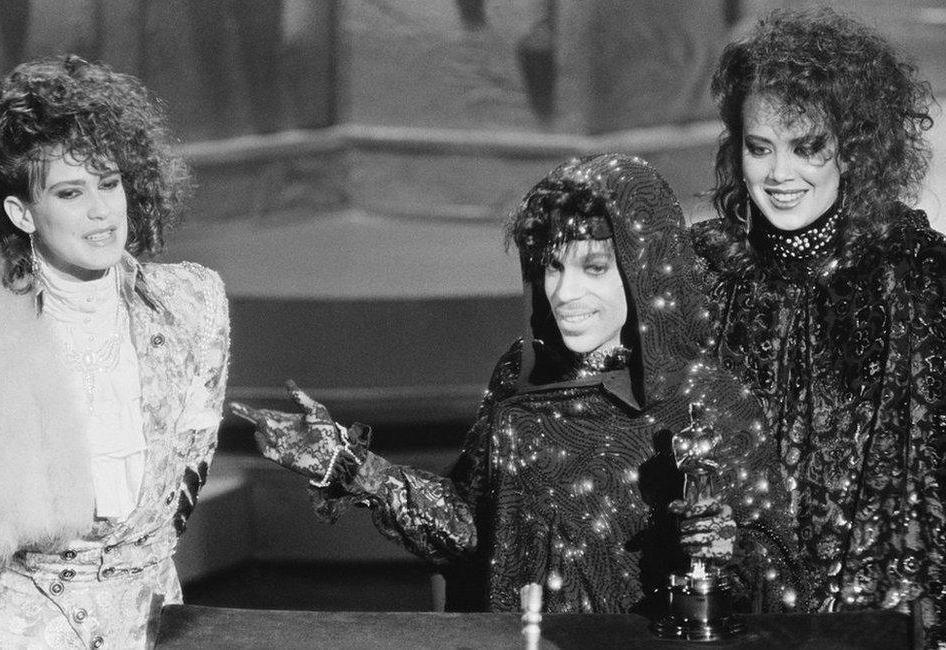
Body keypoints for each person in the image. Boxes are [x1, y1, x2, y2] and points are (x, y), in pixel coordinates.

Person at [232, 153, 797, 614]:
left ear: (643, 270)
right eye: (553, 266)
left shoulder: (707, 400)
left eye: (594, 268)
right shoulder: (520, 377)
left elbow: (783, 585)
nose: (565, 293)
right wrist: (354, 469)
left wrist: (730, 553)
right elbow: (471, 532)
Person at [691, 7, 945, 644]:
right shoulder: (704, 273)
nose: (779, 175)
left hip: (872, 619)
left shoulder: (915, 275)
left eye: (807, 148)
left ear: (852, 148)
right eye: (760, 147)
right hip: (729, 615)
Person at [0, 55, 230, 648]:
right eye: (70, 192)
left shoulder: (193, 304)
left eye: (109, 183)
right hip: (20, 627)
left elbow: (186, 472)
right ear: (22, 213)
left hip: (153, 619)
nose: (101, 211)